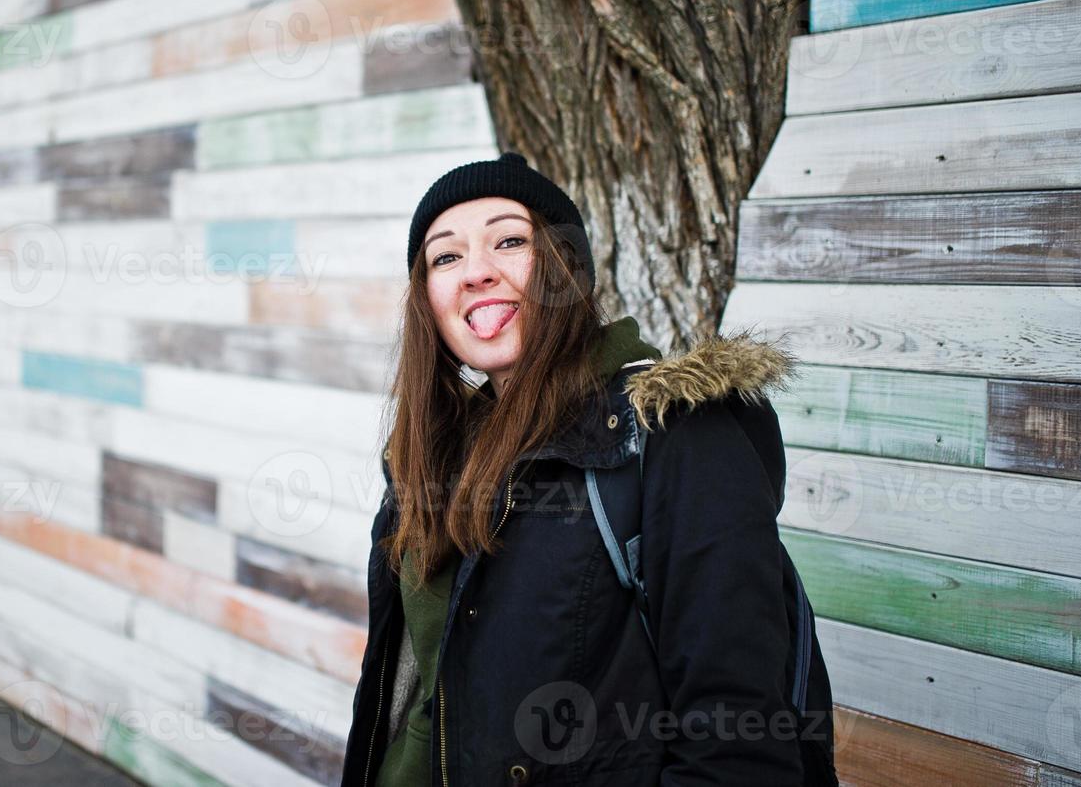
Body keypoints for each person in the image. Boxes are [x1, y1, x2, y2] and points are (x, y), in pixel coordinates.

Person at [338, 152, 837, 786]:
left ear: (566, 268)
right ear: (426, 299)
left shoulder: (672, 436)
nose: (476, 273)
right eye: (446, 256)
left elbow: (737, 742)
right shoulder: (430, 458)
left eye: (509, 241)